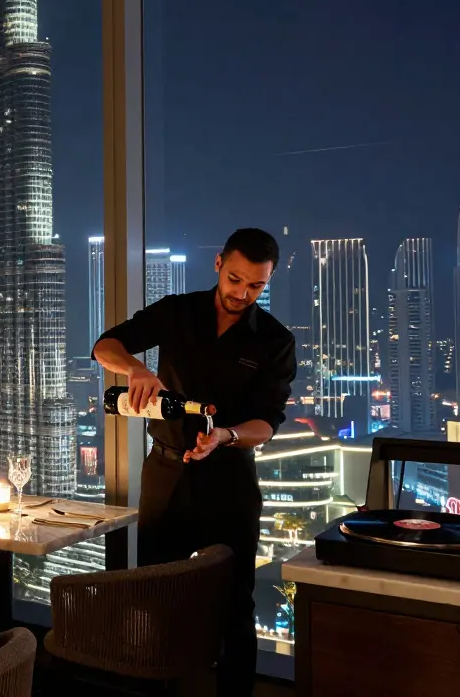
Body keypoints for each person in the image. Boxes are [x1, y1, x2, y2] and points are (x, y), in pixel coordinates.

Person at [92, 227, 295, 697]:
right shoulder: (177, 311)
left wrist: (225, 435)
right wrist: (137, 369)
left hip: (230, 480)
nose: (243, 293)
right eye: (236, 280)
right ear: (219, 264)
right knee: (155, 596)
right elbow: (106, 346)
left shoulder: (275, 341)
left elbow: (266, 424)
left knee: (234, 607)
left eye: (256, 286)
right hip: (165, 473)